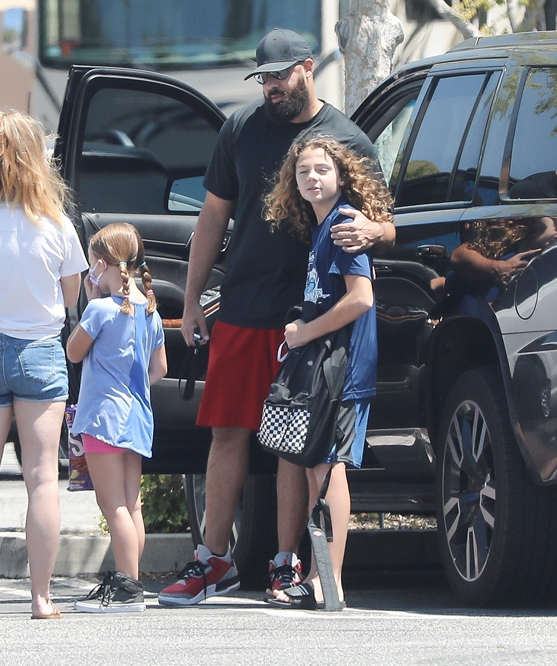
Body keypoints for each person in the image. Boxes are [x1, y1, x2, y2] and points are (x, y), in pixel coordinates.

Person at [158, 27, 395, 607]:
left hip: (310, 318)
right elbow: (212, 217)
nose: (270, 88)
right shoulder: (240, 128)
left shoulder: (345, 138)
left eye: (280, 76)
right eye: (263, 78)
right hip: (242, 306)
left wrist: (374, 230)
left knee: (297, 444)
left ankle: (286, 565)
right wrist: (191, 300)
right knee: (227, 433)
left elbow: (388, 223)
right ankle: (212, 559)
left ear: (308, 69)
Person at [0, 110, 88, 621]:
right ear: (37, 162)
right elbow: (73, 297)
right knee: (42, 478)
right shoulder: (54, 224)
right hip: (41, 351)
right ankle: (41, 598)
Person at [263, 134, 392, 608]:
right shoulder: (321, 229)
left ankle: (327, 580)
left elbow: (361, 299)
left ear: (342, 175)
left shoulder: (342, 226)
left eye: (322, 169)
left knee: (328, 466)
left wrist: (306, 332)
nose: (312, 178)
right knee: (318, 466)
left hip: (345, 367)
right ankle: (319, 576)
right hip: (328, 365)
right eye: (303, 172)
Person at [66, 223, 167, 613]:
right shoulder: (150, 312)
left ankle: (128, 590)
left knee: (114, 509)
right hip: (138, 417)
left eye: (93, 265)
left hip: (103, 417)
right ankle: (132, 580)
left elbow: (74, 352)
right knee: (132, 505)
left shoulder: (101, 309)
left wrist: (89, 299)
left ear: (102, 264)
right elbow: (159, 368)